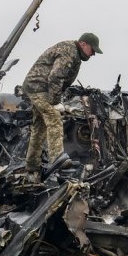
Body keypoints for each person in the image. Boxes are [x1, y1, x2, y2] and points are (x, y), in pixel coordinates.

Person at [21, 32, 102, 180]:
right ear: (83, 44)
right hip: (39, 87)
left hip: (37, 86)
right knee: (54, 117)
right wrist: (55, 101)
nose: (93, 54)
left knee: (39, 127)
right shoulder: (69, 51)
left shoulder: (74, 53)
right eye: (92, 50)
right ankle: (57, 160)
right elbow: (55, 77)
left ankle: (32, 166)